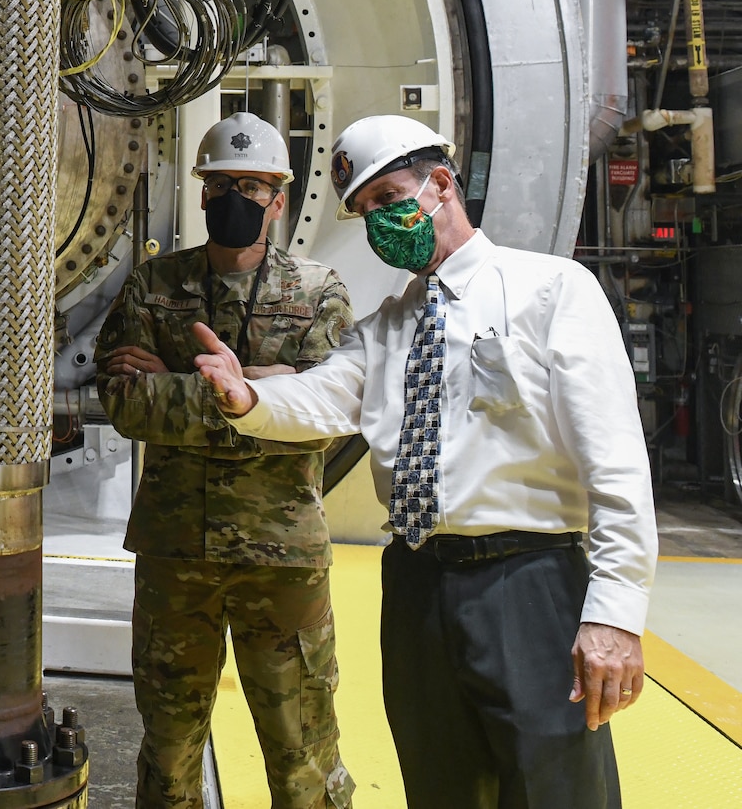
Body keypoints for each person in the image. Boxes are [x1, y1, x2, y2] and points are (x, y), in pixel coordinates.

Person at [194, 114, 656, 809]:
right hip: (416, 587)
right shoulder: (386, 327)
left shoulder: (550, 291)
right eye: (364, 211)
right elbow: (321, 396)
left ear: (441, 184)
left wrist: (615, 616)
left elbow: (616, 465)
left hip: (529, 582)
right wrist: (246, 396)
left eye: (388, 200)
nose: (378, 221)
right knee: (439, 786)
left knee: (555, 788)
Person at [99, 111, 357, 809]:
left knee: (303, 751)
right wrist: (264, 389)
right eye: (220, 184)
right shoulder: (155, 285)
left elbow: (325, 417)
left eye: (253, 184)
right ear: (202, 192)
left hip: (283, 557)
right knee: (170, 748)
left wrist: (178, 385)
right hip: (176, 555)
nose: (235, 196)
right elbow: (124, 404)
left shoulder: (317, 291)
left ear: (280, 197)